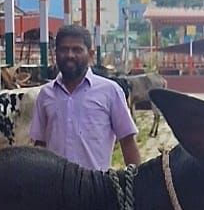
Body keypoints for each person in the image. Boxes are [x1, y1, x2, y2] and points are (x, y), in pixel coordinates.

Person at [30, 24, 141, 169]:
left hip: (96, 187)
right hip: (55, 188)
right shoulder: (45, 95)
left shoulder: (110, 91)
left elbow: (127, 142)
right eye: (64, 49)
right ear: (56, 54)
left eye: (77, 50)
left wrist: (136, 185)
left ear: (90, 54)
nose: (70, 55)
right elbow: (39, 145)